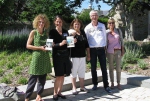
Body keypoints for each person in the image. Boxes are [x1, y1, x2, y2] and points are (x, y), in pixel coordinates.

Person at [25, 14, 52, 101]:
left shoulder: (46, 33)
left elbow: (48, 46)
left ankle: (39, 96)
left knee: (42, 79)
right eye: (39, 22)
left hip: (45, 58)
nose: (41, 23)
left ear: (45, 24)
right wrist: (39, 48)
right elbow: (28, 46)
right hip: (36, 58)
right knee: (32, 79)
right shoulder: (33, 32)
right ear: (36, 22)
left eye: (43, 22)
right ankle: (27, 98)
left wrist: (49, 47)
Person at [84, 10, 112, 93]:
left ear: (98, 16)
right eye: (92, 15)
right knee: (93, 68)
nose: (94, 17)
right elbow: (86, 41)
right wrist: (88, 53)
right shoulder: (87, 28)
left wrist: (106, 49)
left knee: (104, 68)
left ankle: (106, 85)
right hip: (92, 50)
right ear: (90, 17)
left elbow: (104, 38)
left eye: (95, 15)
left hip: (101, 49)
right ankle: (95, 84)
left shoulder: (102, 26)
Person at [49, 15, 71, 100]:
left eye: (60, 21)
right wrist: (60, 44)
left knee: (63, 75)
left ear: (62, 22)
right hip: (57, 56)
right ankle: (55, 93)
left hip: (65, 55)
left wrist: (73, 41)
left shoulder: (66, 31)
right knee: (58, 75)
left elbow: (69, 44)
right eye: (57, 21)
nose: (59, 23)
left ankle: (59, 92)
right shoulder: (52, 32)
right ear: (55, 22)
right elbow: (50, 45)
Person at [68, 19, 90, 95]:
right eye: (75, 24)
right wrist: (72, 39)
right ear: (73, 25)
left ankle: (82, 87)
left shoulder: (83, 32)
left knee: (81, 72)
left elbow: (87, 45)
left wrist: (88, 55)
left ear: (80, 25)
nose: (77, 25)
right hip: (74, 56)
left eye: (78, 24)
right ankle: (74, 88)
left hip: (82, 56)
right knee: (73, 72)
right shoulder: (70, 33)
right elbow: (69, 45)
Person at [106, 17, 125, 90]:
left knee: (118, 67)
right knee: (111, 68)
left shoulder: (118, 31)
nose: (111, 24)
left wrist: (122, 50)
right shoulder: (106, 32)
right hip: (110, 52)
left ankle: (118, 83)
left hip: (118, 51)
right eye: (110, 23)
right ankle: (112, 83)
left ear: (114, 23)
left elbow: (122, 41)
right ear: (108, 24)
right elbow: (105, 43)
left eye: (113, 23)